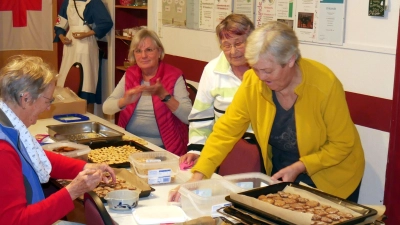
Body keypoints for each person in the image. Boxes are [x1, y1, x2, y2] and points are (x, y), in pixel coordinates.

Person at [171, 21, 365, 202]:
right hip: (284, 168)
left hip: (332, 175)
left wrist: (300, 166)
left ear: (290, 60)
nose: (260, 77)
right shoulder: (253, 81)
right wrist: (198, 176)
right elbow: (225, 131)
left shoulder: (324, 84)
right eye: (255, 69)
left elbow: (342, 144)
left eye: (267, 71)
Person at [0, 55, 116, 225]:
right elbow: (16, 221)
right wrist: (73, 191)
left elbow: (38, 157)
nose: (48, 107)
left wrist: (85, 166)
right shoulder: (3, 150)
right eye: (48, 100)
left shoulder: (9, 124)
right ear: (25, 99)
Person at [180, 14, 256, 165]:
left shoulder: (265, 68)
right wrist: (196, 150)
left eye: (239, 43)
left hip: (264, 152)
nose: (233, 52)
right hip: (223, 151)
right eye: (227, 45)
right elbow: (201, 117)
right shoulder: (212, 70)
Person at [103, 29, 192, 156]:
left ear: (159, 52)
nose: (143, 56)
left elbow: (189, 117)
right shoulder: (130, 74)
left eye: (149, 50)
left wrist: (165, 96)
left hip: (163, 149)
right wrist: (124, 101)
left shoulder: (173, 75)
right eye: (138, 51)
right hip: (130, 145)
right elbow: (106, 108)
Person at [54, 0, 113, 104]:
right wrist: (62, 36)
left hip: (86, 43)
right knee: (67, 79)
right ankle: (67, 110)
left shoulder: (94, 2)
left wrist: (87, 34)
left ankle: (86, 111)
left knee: (86, 79)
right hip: (70, 44)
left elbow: (106, 22)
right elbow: (60, 24)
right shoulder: (68, 2)